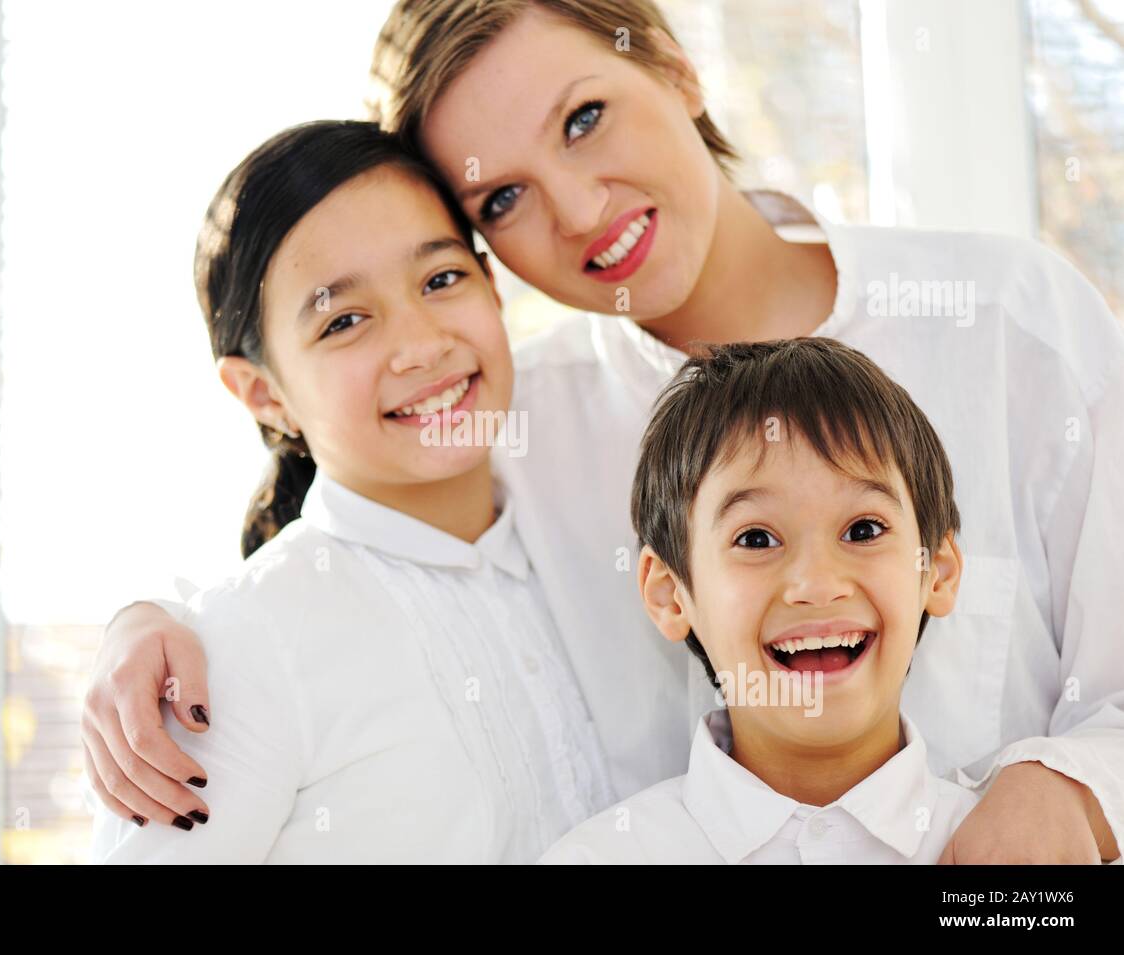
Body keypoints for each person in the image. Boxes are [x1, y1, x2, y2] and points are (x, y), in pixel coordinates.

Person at [83, 0, 1123, 862]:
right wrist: (153, 623)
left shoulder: (1002, 317)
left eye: (583, 118)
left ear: (673, 68)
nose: (578, 211)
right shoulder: (513, 415)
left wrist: (1074, 786)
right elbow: (361, 545)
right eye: (502, 197)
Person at [90, 120, 615, 863]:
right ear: (263, 394)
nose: (423, 344)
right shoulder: (236, 651)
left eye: (440, 279)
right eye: (344, 320)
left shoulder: (597, 521)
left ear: (492, 287)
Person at [542, 337, 981, 863]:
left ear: (939, 570)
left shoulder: (1021, 858)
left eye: (863, 529)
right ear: (669, 593)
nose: (817, 585)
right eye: (755, 540)